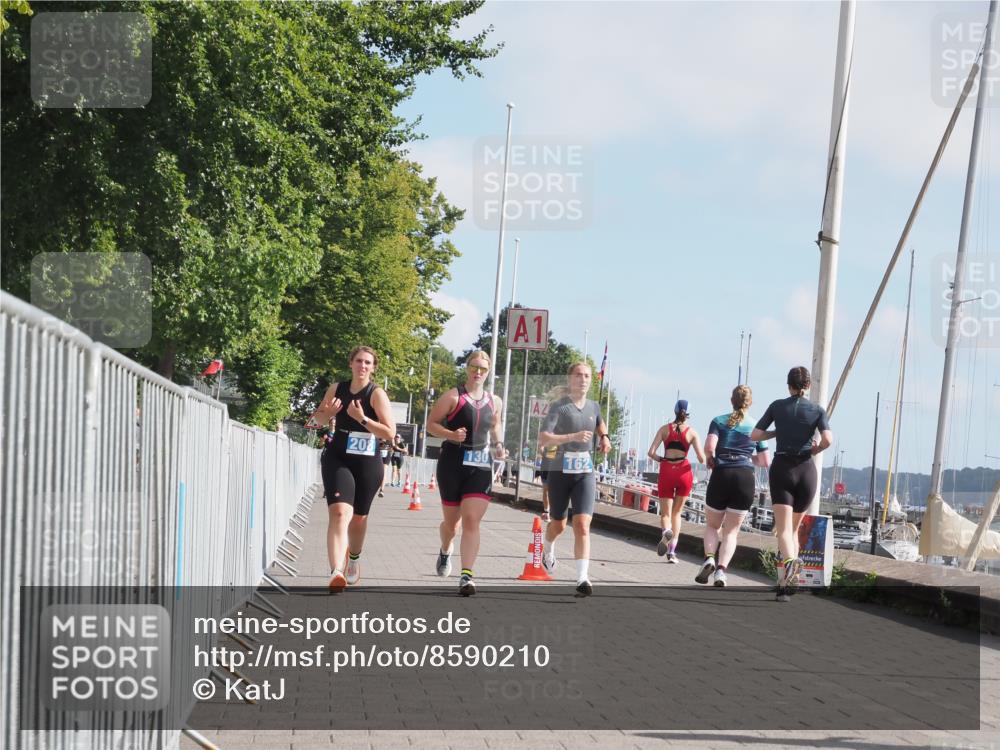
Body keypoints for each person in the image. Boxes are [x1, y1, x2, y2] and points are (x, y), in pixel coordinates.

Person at [311, 346, 395, 592]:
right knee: (339, 514)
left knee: (359, 518)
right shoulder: (337, 389)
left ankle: (354, 558)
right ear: (351, 363)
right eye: (359, 361)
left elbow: (390, 433)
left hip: (368, 460)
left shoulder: (376, 394)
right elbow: (316, 422)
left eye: (368, 362)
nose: (363, 366)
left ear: (373, 367)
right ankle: (336, 571)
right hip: (339, 456)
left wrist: (362, 419)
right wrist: (328, 413)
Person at [427, 351, 506, 596]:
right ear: (467, 368)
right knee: (452, 524)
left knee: (472, 519)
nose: (478, 372)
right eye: (474, 367)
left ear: (489, 371)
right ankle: (445, 547)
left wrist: (499, 444)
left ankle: (466, 575)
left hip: (481, 464)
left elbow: (496, 426)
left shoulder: (496, 400)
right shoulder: (453, 396)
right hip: (452, 463)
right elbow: (431, 424)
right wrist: (451, 435)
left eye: (483, 368)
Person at [751, 366, 833, 602]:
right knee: (794, 530)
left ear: (789, 385)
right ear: (807, 386)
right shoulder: (817, 410)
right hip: (807, 470)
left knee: (784, 530)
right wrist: (817, 448)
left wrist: (776, 433)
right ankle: (784, 588)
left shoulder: (777, 406)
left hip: (783, 469)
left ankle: (789, 563)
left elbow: (755, 435)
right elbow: (828, 438)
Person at [538, 362, 612, 597]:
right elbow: (544, 438)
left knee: (582, 524)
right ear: (570, 379)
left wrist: (605, 438)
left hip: (585, 471)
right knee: (559, 524)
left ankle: (582, 577)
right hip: (560, 470)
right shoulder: (558, 407)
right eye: (578, 375)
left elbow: (599, 422)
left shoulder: (594, 405)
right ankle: (548, 548)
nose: (583, 379)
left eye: (587, 376)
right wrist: (573, 436)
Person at [696, 385, 770, 588]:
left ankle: (709, 558)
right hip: (745, 478)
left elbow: (709, 447)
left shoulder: (718, 421)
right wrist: (747, 457)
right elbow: (765, 460)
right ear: (750, 402)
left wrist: (711, 458)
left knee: (712, 526)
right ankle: (721, 571)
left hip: (722, 474)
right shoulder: (756, 427)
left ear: (732, 401)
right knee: (731, 532)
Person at [645, 399, 706, 563]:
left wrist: (662, 460)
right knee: (677, 513)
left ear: (674, 411)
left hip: (667, 471)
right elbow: (701, 459)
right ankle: (672, 553)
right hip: (684, 472)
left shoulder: (664, 430)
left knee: (665, 513)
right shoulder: (692, 433)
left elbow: (650, 452)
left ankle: (666, 531)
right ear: (688, 414)